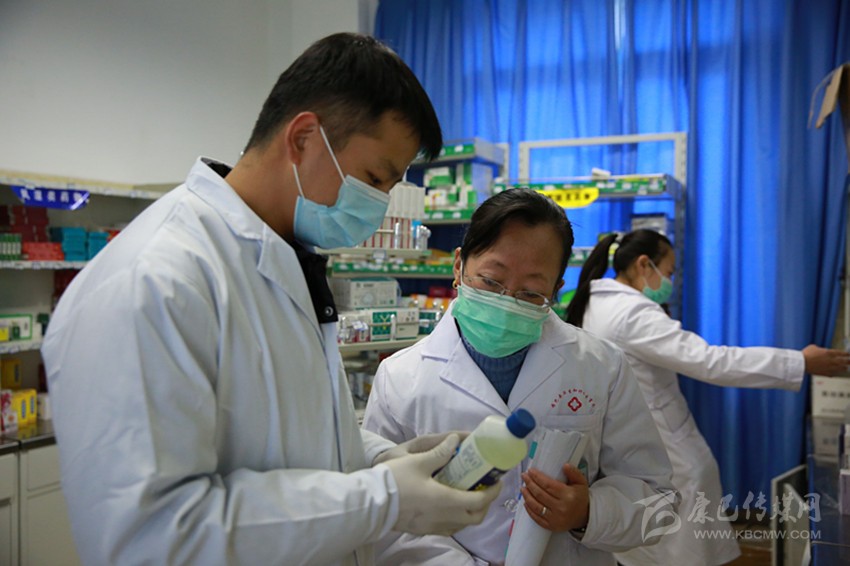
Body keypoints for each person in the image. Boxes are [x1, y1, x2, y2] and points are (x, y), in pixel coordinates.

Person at [41, 33, 500, 566]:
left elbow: (286, 443)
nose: (378, 206)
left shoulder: (282, 258)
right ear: (303, 138)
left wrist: (384, 460)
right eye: (374, 178)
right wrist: (383, 497)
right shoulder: (155, 281)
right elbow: (157, 536)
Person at [362, 189, 679, 566]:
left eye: (530, 292)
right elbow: (384, 513)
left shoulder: (601, 366)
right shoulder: (399, 376)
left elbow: (657, 497)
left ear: (556, 290)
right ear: (459, 266)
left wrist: (589, 512)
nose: (507, 301)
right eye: (491, 281)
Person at [565, 228, 850, 566]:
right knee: (679, 547)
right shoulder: (632, 314)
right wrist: (799, 362)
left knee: (644, 545)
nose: (669, 281)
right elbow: (710, 361)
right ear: (644, 264)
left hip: (629, 448)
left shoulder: (595, 303)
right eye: (668, 271)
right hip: (665, 453)